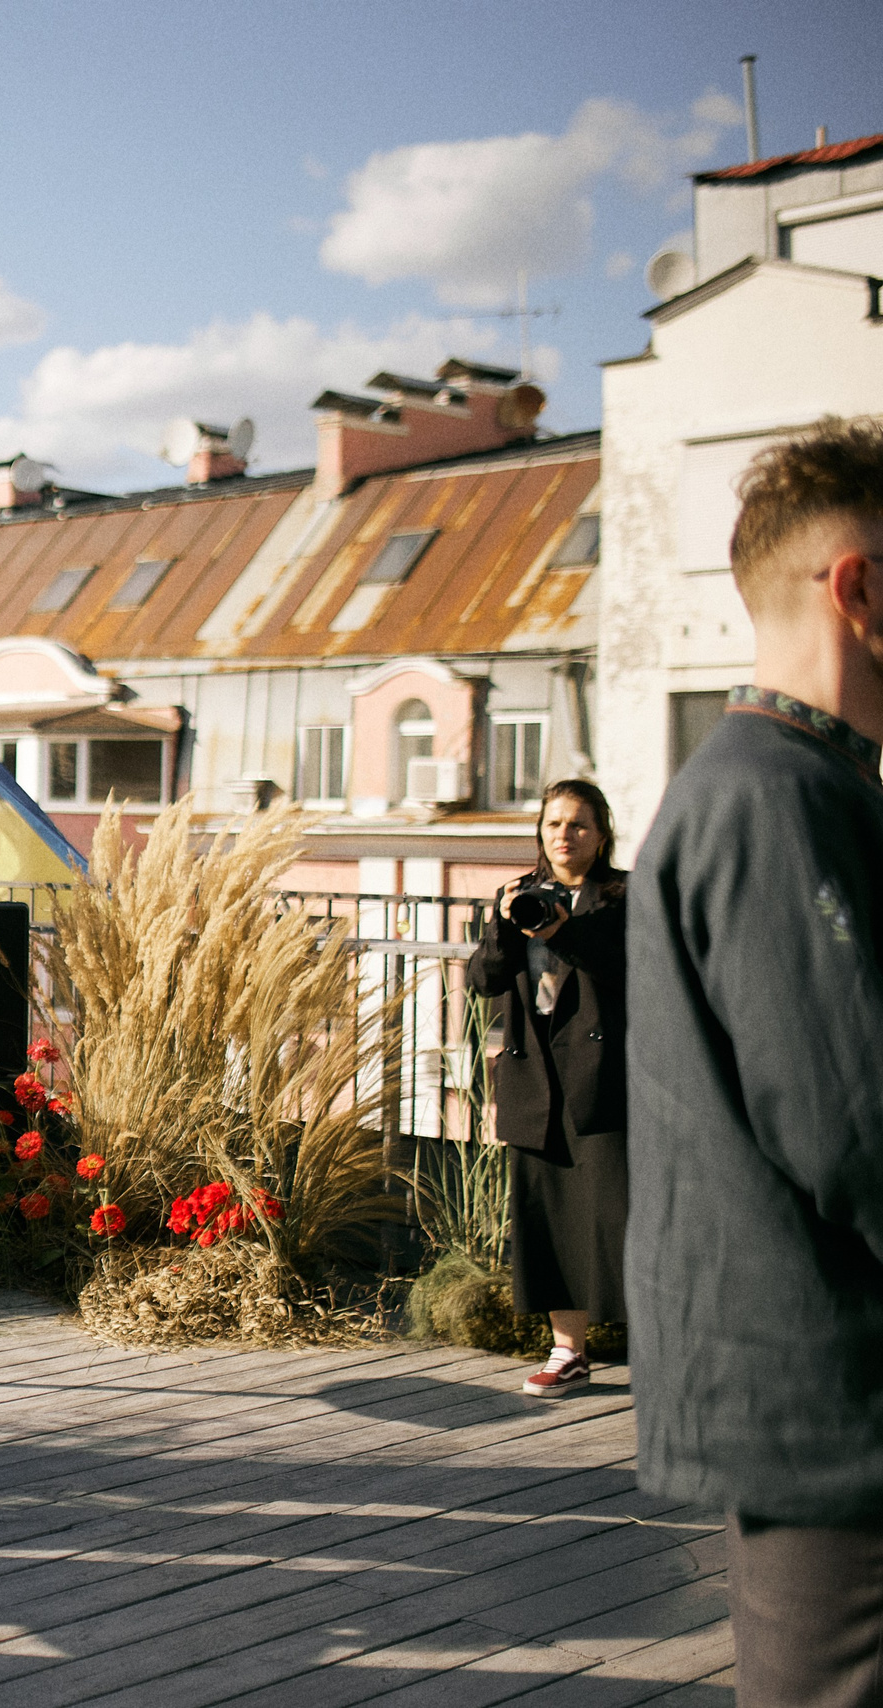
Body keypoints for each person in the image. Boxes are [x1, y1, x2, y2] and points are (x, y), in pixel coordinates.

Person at [627, 417, 883, 1707]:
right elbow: (856, 1119)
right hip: (833, 1410)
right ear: (860, 586)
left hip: (808, 1396)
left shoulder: (771, 784)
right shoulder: (776, 798)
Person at [463, 779, 627, 1398]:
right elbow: (483, 978)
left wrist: (563, 934)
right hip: (537, 1081)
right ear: (540, 832)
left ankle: (663, 1345)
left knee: (620, 1216)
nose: (564, 835)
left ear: (601, 835)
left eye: (579, 825)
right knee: (551, 1218)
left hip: (603, 1080)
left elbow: (626, 967)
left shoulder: (623, 897)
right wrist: (508, 928)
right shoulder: (519, 897)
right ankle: (568, 1352)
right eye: (554, 824)